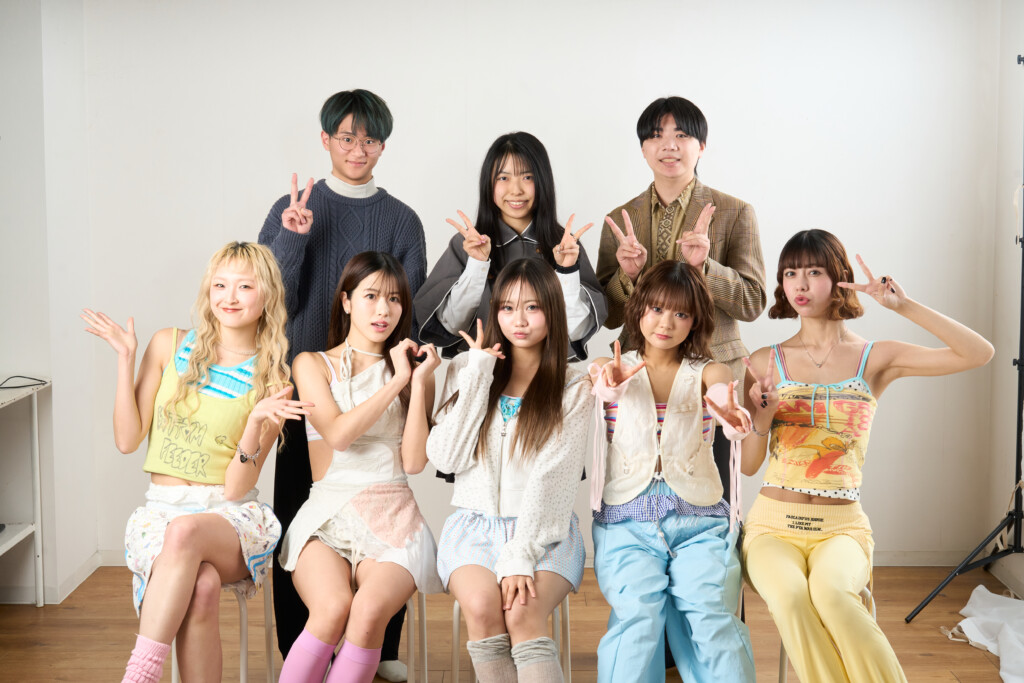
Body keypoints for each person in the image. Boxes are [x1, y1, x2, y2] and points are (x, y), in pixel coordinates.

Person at [741, 229, 994, 682]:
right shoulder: (763, 362)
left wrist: (903, 306)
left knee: (833, 594)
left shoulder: (875, 358)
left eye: (814, 272)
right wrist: (762, 418)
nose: (800, 284)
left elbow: (979, 353)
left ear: (839, 278)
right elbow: (747, 464)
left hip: (842, 527)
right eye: (790, 273)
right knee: (793, 599)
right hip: (771, 527)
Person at [82, 241, 310, 683]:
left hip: (228, 517)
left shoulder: (272, 380)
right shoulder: (168, 345)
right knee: (202, 586)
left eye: (245, 286)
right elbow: (127, 440)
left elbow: (236, 488)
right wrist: (125, 360)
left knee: (186, 532)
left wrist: (255, 423)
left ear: (267, 295)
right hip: (160, 512)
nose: (229, 297)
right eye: (220, 285)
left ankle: (139, 674)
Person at [258, 88, 426, 679]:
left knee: (386, 515)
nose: (359, 149)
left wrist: (403, 377)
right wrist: (292, 237)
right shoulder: (293, 209)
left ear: (383, 145)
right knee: (298, 517)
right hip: (307, 386)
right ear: (326, 139)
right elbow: (267, 300)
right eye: (347, 137)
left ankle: (379, 651)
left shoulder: (402, 220)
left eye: (370, 139)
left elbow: (407, 305)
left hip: (375, 380)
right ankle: (301, 648)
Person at [277, 252, 443, 683]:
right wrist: (397, 380)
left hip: (395, 517)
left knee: (367, 613)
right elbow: (338, 435)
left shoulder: (414, 372)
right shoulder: (312, 363)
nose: (383, 309)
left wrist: (417, 382)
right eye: (371, 296)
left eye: (394, 299)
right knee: (333, 608)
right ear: (347, 301)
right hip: (327, 516)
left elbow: (414, 462)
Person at [588, 259, 756, 682]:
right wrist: (609, 386)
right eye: (657, 308)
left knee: (711, 614)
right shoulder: (611, 364)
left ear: (695, 320)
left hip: (699, 520)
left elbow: (727, 405)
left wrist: (734, 418)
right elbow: (603, 388)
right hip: (625, 521)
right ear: (639, 308)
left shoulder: (710, 371)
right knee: (637, 617)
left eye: (681, 313)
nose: (666, 323)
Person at [427, 258, 591, 682]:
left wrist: (521, 554)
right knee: (483, 608)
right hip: (473, 527)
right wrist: (478, 374)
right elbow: (445, 458)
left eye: (532, 307)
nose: (519, 320)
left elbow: (554, 478)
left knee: (520, 612)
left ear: (553, 311)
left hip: (545, 531)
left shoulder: (574, 386)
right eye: (507, 307)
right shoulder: (466, 369)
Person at [596, 96, 766, 500]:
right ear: (643, 148)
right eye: (656, 136)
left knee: (716, 496)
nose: (669, 145)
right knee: (634, 491)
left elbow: (753, 301)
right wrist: (628, 276)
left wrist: (706, 267)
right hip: (641, 382)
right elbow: (608, 315)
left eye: (682, 135)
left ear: (701, 146)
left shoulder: (735, 212)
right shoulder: (620, 219)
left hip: (714, 378)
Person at [414, 131, 607, 361]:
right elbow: (453, 325)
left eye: (527, 177)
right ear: (488, 184)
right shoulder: (466, 245)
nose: (516, 190)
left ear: (543, 181)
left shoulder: (565, 246)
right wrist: (477, 264)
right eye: (503, 178)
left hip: (545, 372)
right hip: (480, 370)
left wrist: (567, 271)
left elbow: (575, 331)